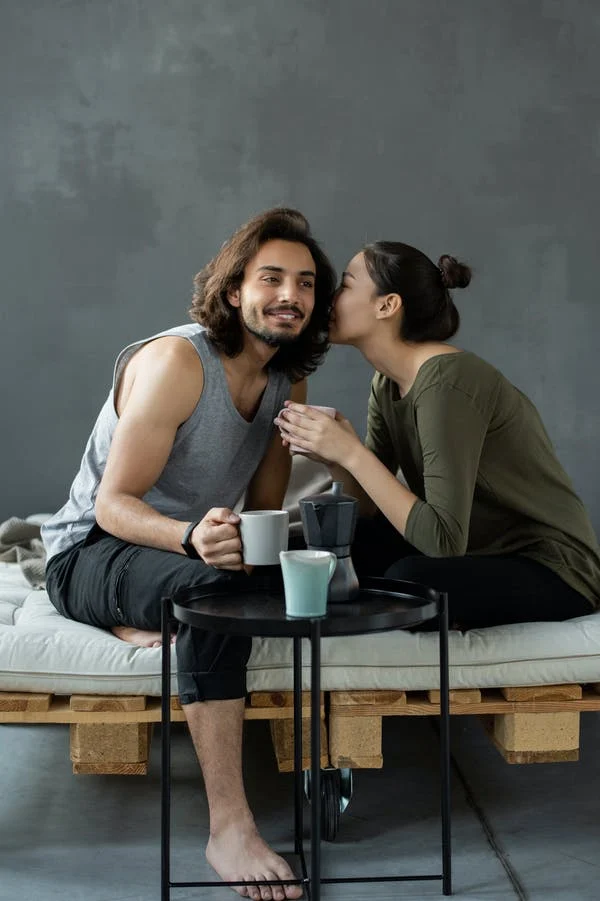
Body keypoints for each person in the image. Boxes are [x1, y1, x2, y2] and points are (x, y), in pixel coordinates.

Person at [42, 207, 336, 901]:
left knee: (297, 573)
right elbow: (113, 504)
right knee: (210, 594)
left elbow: (262, 511)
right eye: (271, 278)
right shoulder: (178, 360)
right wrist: (189, 539)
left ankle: (159, 613)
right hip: (92, 550)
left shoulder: (286, 380)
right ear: (236, 290)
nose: (290, 295)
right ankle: (229, 827)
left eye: (306, 282)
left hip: (186, 555)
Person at [275, 241, 600, 628]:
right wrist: (333, 456)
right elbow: (370, 509)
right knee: (315, 555)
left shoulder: (446, 383)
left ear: (386, 305)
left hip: (552, 567)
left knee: (412, 583)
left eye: (347, 285)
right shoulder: (386, 383)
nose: (331, 298)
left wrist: (351, 453)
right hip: (478, 552)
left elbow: (443, 541)